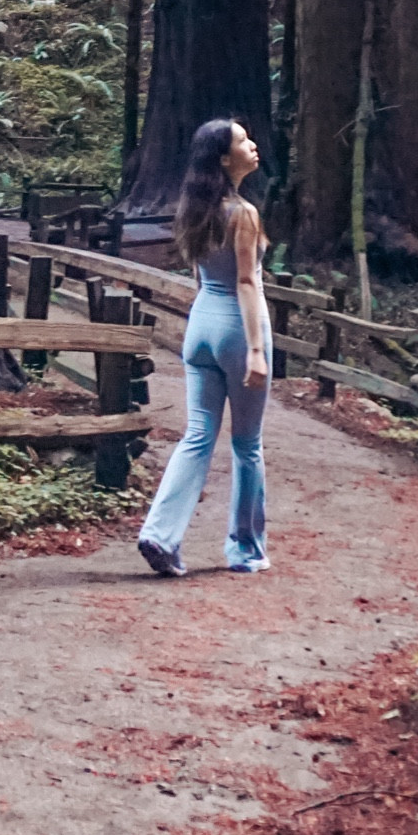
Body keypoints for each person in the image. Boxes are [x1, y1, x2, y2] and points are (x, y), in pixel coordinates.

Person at [136, 118, 272, 577]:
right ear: (223, 158)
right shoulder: (244, 214)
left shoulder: (193, 209)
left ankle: (160, 533)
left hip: (201, 325)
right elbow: (248, 283)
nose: (252, 146)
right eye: (242, 142)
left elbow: (201, 273)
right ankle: (245, 549)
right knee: (247, 443)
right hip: (237, 327)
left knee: (197, 436)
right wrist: (255, 350)